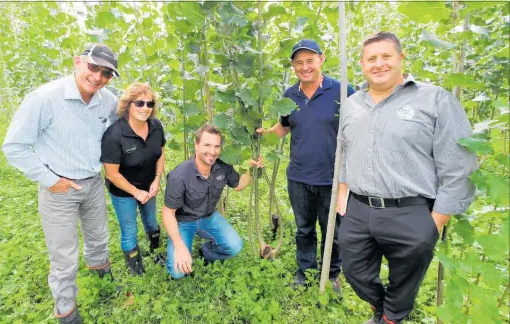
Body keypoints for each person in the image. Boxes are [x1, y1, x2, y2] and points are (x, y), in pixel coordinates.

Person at [336, 32, 477, 324]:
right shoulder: (352, 104)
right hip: (359, 208)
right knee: (354, 270)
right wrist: (342, 191)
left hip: (411, 210)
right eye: (371, 58)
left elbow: (458, 164)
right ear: (362, 64)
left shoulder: (434, 99)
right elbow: (345, 149)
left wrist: (435, 222)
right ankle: (381, 307)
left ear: (401, 58)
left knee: (405, 277)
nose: (379, 64)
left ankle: (390, 318)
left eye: (386, 56)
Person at [2, 43, 120, 324]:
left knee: (99, 239)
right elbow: (14, 146)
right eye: (93, 67)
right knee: (64, 256)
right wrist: (50, 180)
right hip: (59, 190)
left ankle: (103, 280)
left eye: (106, 73)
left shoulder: (108, 100)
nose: (98, 77)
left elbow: (123, 128)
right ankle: (66, 312)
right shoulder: (45, 98)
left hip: (92, 183)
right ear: (78, 62)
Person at [257, 39, 354, 290]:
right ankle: (305, 273)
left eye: (310, 60)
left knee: (332, 231)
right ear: (293, 66)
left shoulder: (343, 91)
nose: (305, 66)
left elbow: (358, 130)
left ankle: (331, 275)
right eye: (299, 62)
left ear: (322, 59)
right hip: (299, 177)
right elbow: (283, 128)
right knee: (304, 230)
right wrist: (262, 135)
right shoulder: (290, 95)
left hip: (332, 179)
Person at [162, 125, 263, 279]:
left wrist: (251, 168)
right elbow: (168, 213)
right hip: (183, 221)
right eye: (207, 145)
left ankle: (207, 252)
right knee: (177, 272)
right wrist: (179, 245)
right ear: (196, 145)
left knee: (235, 246)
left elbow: (239, 185)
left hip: (209, 218)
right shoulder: (179, 176)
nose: (213, 151)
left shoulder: (223, 166)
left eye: (217, 146)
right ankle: (179, 247)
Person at [101, 82, 166, 276]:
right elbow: (112, 174)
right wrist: (136, 192)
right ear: (128, 104)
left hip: (149, 186)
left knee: (152, 223)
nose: (145, 108)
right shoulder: (114, 135)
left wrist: (156, 180)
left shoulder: (156, 126)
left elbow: (160, 154)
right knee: (129, 230)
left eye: (150, 104)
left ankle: (157, 252)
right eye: (139, 103)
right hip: (123, 191)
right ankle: (137, 269)